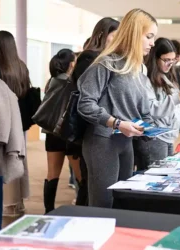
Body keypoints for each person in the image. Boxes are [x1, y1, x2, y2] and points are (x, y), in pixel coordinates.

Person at [77, 8, 157, 208]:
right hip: (102, 141)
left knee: (122, 202)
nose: (152, 43)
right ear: (133, 34)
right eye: (148, 36)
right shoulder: (106, 64)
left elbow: (141, 109)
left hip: (125, 142)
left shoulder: (138, 70)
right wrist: (117, 123)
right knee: (103, 204)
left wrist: (149, 126)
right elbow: (85, 104)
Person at [71, 17, 119, 206]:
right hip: (89, 128)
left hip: (101, 126)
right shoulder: (91, 58)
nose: (117, 41)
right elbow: (88, 97)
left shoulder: (109, 59)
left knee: (93, 183)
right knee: (90, 185)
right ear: (102, 35)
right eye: (114, 36)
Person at [0, 30, 36, 217]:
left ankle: (8, 205)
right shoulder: (21, 67)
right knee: (18, 157)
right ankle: (19, 202)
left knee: (1, 159)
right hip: (19, 121)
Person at [133, 37, 180, 171]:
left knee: (163, 178)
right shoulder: (146, 78)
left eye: (173, 60)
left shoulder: (167, 77)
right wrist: (177, 99)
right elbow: (151, 110)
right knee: (153, 180)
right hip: (155, 137)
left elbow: (171, 106)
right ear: (155, 58)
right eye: (166, 60)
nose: (170, 64)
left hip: (168, 136)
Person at [42, 49, 82, 213]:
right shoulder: (73, 84)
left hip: (52, 134)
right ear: (72, 64)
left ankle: (48, 211)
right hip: (69, 135)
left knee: (52, 174)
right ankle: (81, 210)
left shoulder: (51, 82)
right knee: (81, 177)